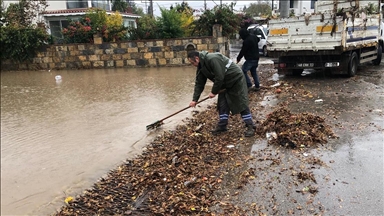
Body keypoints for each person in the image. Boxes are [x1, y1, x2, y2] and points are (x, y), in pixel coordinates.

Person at [187, 51, 256, 137]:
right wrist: (195, 99)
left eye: (192, 62)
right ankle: (222, 125)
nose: (193, 65)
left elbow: (219, 77)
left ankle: (251, 126)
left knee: (241, 102)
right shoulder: (201, 67)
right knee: (222, 104)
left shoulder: (212, 59)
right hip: (224, 83)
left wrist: (213, 92)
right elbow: (199, 83)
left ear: (197, 58)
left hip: (235, 79)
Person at [237, 28, 260, 92]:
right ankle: (257, 86)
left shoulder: (246, 41)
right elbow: (258, 39)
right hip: (256, 58)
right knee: (253, 72)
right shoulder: (253, 36)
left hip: (250, 59)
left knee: (243, 71)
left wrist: (238, 58)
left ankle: (249, 85)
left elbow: (243, 51)